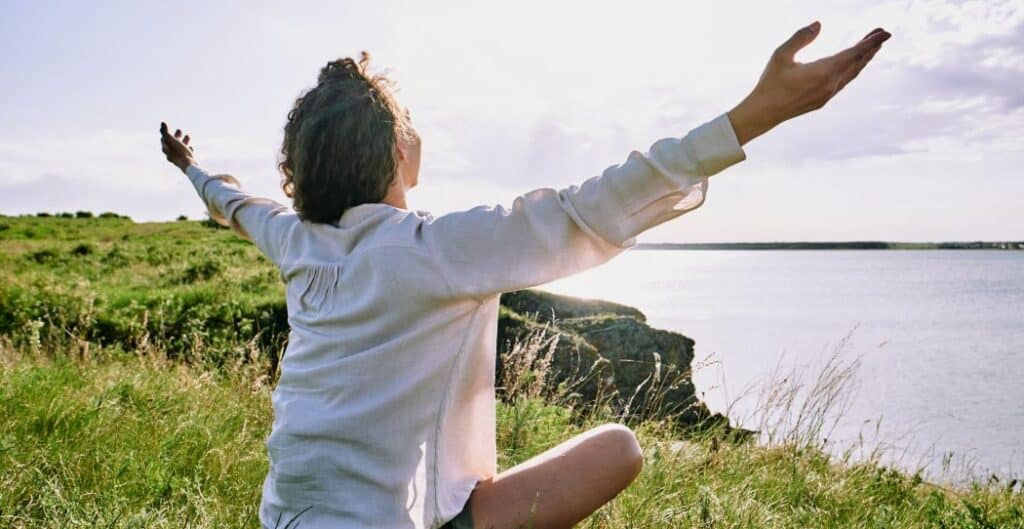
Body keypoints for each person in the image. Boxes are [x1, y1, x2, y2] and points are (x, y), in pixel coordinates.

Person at [160, 21, 890, 529]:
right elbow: (588, 208)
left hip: (279, 517)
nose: (418, 131)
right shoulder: (433, 248)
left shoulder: (297, 241)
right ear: (393, 154)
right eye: (407, 120)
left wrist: (189, 165)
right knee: (620, 447)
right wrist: (752, 116)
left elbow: (233, 201)